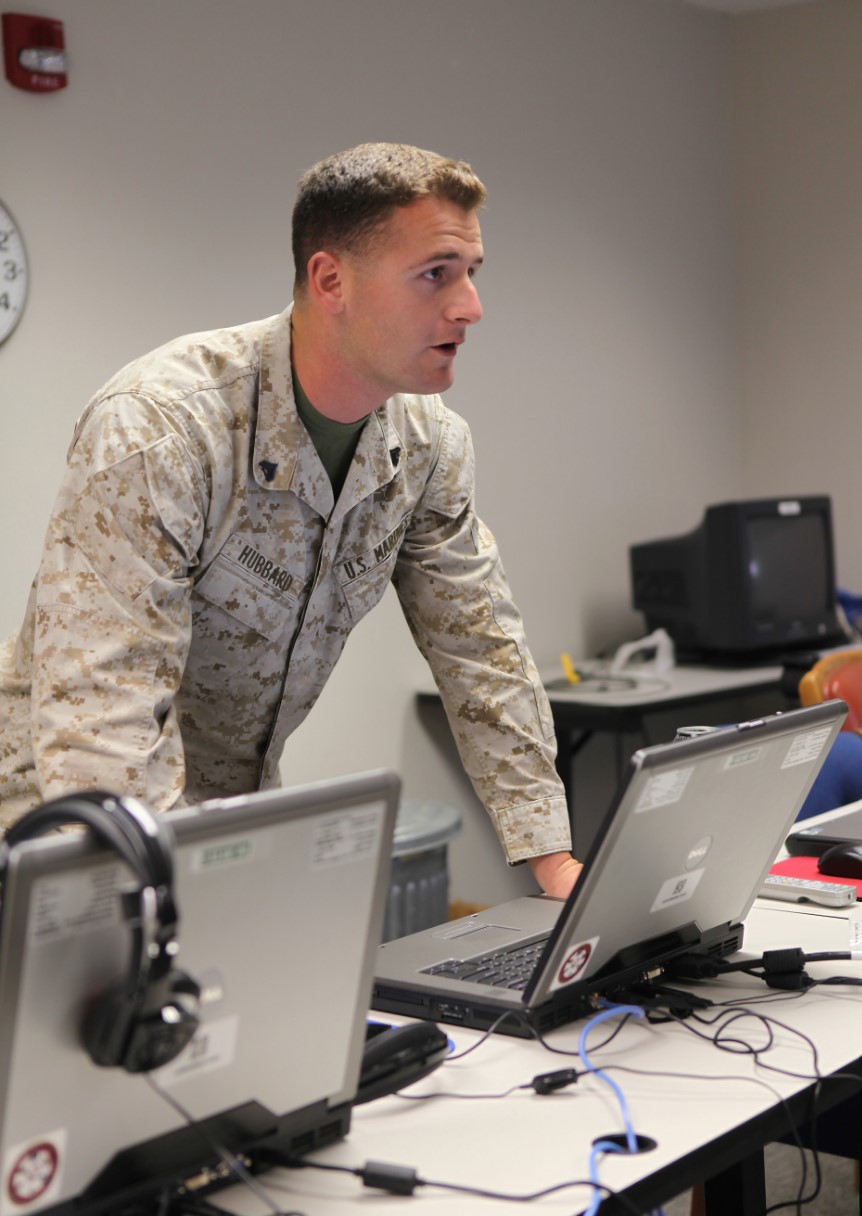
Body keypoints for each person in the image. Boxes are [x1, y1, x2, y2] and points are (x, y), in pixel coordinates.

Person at [0, 142, 580, 898]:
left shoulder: (430, 444)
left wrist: (556, 863)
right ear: (331, 279)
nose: (470, 305)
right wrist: (176, 907)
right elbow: (102, 719)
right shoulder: (163, 426)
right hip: (69, 840)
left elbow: (481, 649)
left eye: (472, 272)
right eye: (436, 273)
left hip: (228, 825)